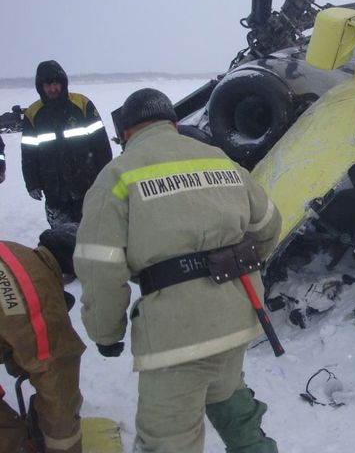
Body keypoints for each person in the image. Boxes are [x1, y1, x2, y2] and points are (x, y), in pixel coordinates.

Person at [73, 88, 282, 453]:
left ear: (126, 133)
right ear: (172, 123)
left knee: (169, 441)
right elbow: (268, 225)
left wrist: (106, 334)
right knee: (228, 395)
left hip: (176, 337)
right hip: (238, 319)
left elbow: (100, 270)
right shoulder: (220, 160)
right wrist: (243, 270)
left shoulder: (117, 177)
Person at [0, 224, 85, 453]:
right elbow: (58, 387)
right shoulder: (40, 300)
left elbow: (9, 325)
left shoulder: (14, 253)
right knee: (11, 441)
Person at [21, 60, 112, 227]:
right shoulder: (33, 114)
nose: (52, 89)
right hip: (54, 191)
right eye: (47, 85)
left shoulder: (82, 104)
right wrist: (32, 183)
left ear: (63, 83)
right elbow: (28, 153)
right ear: (40, 87)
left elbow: (101, 144)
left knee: (95, 231)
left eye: (56, 83)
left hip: (87, 185)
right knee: (63, 240)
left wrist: (107, 175)